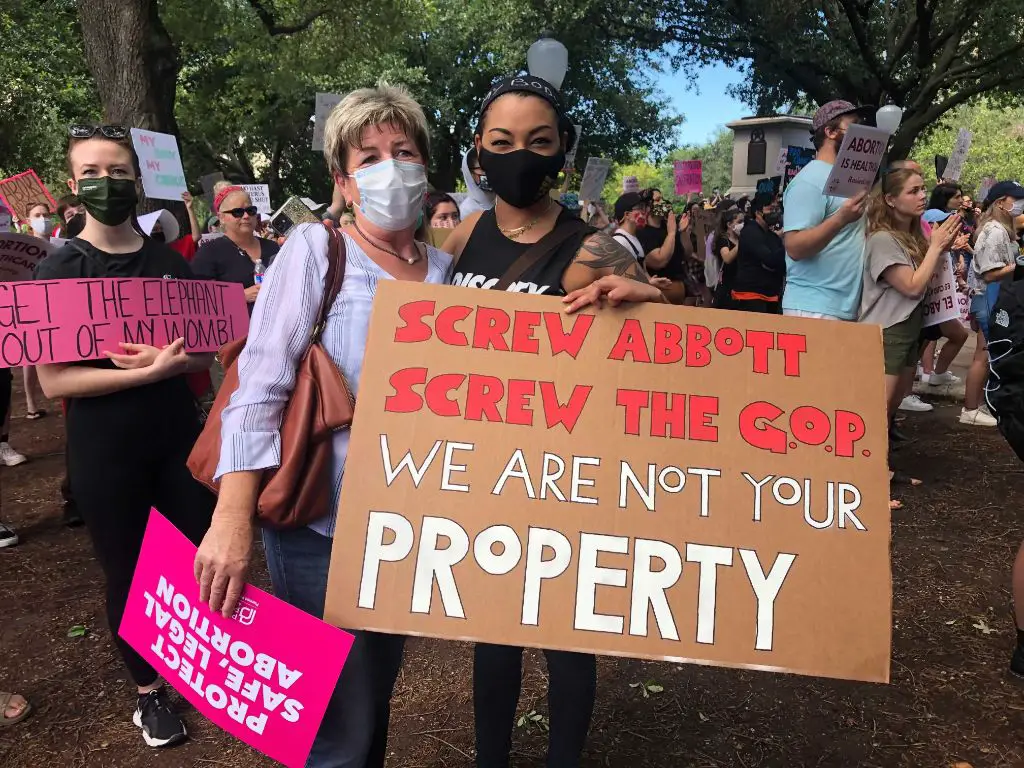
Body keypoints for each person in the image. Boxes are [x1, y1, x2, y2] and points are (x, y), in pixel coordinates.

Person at [194, 84, 452, 768]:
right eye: (368, 156)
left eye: (403, 151)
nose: (388, 166)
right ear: (342, 180)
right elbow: (259, 385)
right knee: (332, 723)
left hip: (407, 524)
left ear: (426, 167)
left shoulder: (451, 275)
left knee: (373, 695)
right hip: (321, 521)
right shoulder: (316, 249)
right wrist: (231, 519)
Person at [441, 74, 665, 768]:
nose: (519, 156)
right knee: (494, 627)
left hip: (563, 464)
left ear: (563, 151)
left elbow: (668, 320)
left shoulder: (588, 245)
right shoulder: (464, 232)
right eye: (502, 142)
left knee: (568, 628)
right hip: (480, 460)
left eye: (539, 141)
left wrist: (647, 291)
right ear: (479, 151)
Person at [32, 124, 217, 747]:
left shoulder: (169, 263)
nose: (106, 183)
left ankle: (202, 668)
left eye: (117, 172)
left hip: (175, 442)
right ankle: (149, 694)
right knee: (128, 571)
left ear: (137, 181)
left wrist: (173, 366)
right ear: (72, 184)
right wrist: (146, 372)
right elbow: (55, 382)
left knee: (194, 558)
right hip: (105, 452)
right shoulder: (60, 267)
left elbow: (202, 356)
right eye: (93, 172)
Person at [858, 169, 960, 506]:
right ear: (890, 199)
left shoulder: (910, 236)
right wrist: (937, 247)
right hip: (886, 331)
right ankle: (863, 484)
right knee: (876, 409)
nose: (921, 196)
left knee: (891, 406)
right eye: (913, 191)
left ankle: (881, 470)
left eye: (922, 189)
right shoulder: (882, 239)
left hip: (906, 329)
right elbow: (913, 285)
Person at [782, 100, 874, 320]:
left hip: (843, 307)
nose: (860, 133)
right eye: (853, 126)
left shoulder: (849, 179)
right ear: (831, 132)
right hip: (813, 308)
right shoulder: (809, 180)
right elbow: (794, 247)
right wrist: (840, 219)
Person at [963, 181, 1024, 426]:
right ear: (1001, 202)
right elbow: (989, 273)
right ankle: (970, 409)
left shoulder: (1002, 229)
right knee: (985, 353)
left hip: (994, 296)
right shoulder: (994, 230)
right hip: (989, 296)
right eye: (1016, 198)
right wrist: (1019, 263)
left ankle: (976, 405)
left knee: (988, 352)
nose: (1020, 204)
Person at [191, 186, 280, 313]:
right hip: (236, 330)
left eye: (251, 210)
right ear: (221, 218)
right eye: (237, 212)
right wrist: (240, 297)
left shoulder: (273, 247)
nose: (246, 216)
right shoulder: (209, 252)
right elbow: (197, 299)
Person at [916, 191, 970, 391]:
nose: (944, 228)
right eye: (937, 224)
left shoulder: (942, 248)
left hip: (939, 304)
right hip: (924, 304)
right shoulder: (921, 249)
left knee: (947, 335)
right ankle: (920, 378)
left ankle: (934, 374)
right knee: (920, 343)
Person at [730, 193, 786, 313]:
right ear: (758, 213)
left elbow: (780, 263)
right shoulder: (750, 232)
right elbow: (770, 260)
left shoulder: (771, 236)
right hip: (751, 295)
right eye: (770, 209)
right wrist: (790, 244)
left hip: (770, 294)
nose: (775, 212)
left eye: (776, 209)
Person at [711, 208, 745, 308]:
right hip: (727, 288)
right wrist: (741, 242)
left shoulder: (739, 238)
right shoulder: (723, 241)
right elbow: (727, 258)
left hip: (741, 285)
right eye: (739, 222)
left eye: (743, 221)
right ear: (729, 225)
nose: (742, 224)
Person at [459, 146, 496, 218]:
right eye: (483, 168)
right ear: (469, 173)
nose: (490, 172)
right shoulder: (466, 211)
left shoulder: (507, 202)